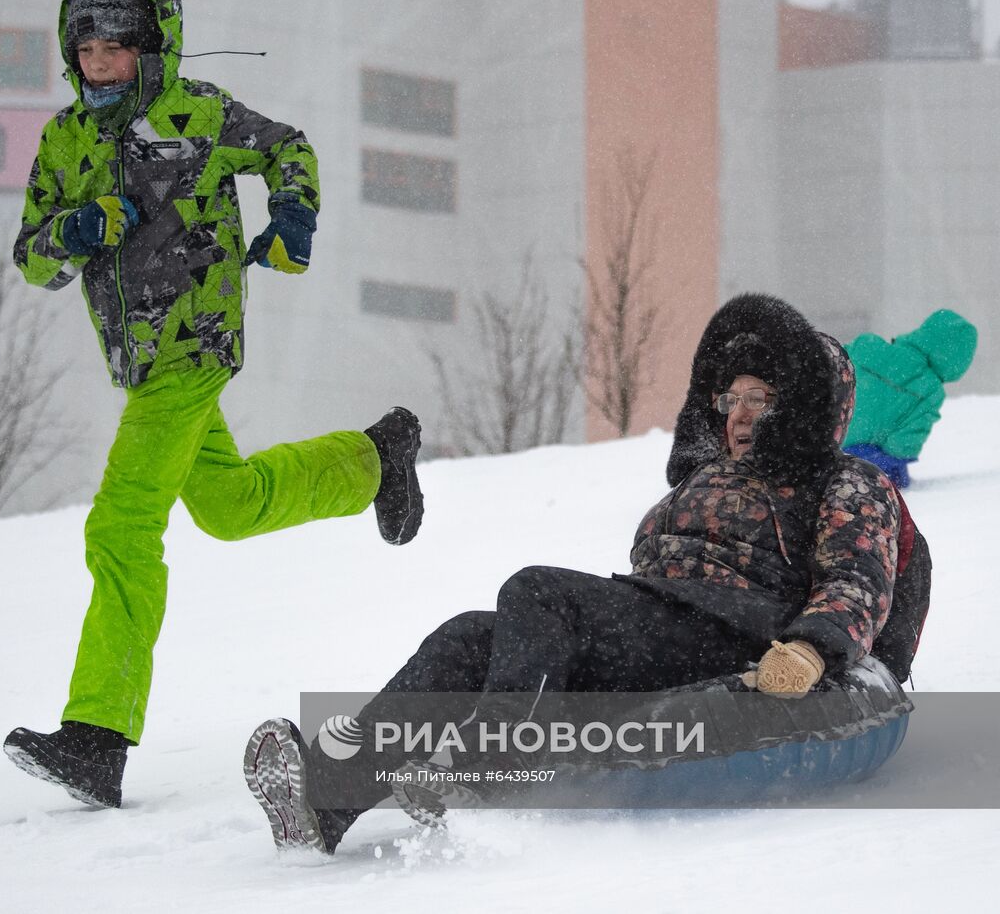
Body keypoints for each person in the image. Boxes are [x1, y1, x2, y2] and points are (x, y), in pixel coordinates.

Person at [243, 293, 902, 855]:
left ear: (810, 408)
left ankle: (489, 767)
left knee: (540, 592)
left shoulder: (842, 481)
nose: (739, 412)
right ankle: (325, 803)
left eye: (762, 397)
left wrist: (814, 650)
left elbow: (857, 576)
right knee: (471, 636)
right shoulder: (702, 482)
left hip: (738, 636)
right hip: (662, 626)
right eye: (732, 396)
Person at [4, 0, 424, 809]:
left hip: (193, 345)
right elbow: (31, 259)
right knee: (227, 507)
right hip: (138, 360)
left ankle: (98, 735)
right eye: (86, 52)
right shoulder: (65, 139)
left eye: (117, 49)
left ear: (154, 45)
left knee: (121, 527)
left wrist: (293, 215)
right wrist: (76, 231)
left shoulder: (198, 114)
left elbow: (287, 150)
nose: (101, 66)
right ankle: (375, 459)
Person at [843, 308, 978, 488]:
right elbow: (902, 443)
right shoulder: (930, 391)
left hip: (822, 433)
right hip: (861, 457)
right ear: (957, 362)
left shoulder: (869, 345)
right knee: (897, 478)